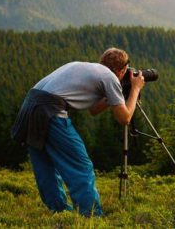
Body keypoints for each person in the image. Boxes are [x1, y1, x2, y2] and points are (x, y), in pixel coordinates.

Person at [10, 48, 145, 217]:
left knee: (45, 166)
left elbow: (94, 110)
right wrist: (135, 89)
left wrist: (115, 95)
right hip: (50, 111)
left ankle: (59, 213)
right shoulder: (109, 77)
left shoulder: (85, 67)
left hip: (29, 108)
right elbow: (124, 118)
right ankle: (92, 217)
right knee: (81, 166)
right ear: (122, 70)